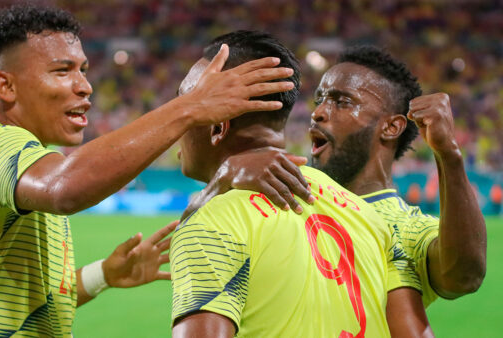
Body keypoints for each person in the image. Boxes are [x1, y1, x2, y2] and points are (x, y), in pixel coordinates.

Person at [0, 4, 302, 337]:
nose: (85, 86)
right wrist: (191, 106)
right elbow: (66, 188)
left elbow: (28, 305)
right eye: (63, 71)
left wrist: (104, 275)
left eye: (83, 70)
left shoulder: (27, 167)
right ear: (6, 86)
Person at [193, 45, 487, 335]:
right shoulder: (285, 192)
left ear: (391, 127)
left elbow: (464, 276)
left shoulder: (406, 230)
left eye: (342, 101)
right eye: (320, 99)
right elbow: (195, 245)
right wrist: (221, 180)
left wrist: (448, 154)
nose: (318, 112)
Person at [170, 30, 411, 337]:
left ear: (218, 127)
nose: (176, 122)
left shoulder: (214, 221)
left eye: (185, 104)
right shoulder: (367, 217)